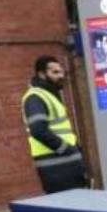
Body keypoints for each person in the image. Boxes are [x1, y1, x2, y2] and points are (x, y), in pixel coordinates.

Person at [22, 56, 89, 194]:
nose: (61, 76)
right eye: (55, 72)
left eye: (62, 72)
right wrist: (66, 149)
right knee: (67, 207)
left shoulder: (50, 94)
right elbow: (38, 130)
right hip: (56, 165)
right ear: (42, 74)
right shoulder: (35, 97)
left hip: (64, 163)